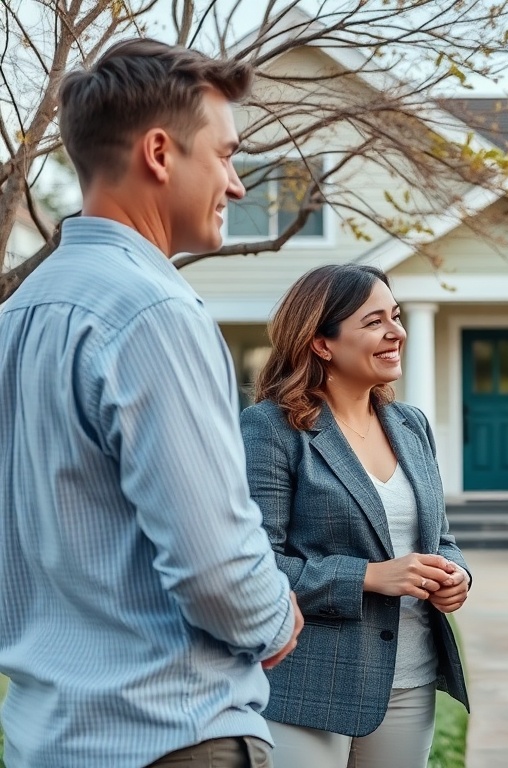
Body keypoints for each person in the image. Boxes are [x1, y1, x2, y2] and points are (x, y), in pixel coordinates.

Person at [0, 39, 303, 768]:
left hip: (47, 740)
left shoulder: (15, 319)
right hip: (171, 735)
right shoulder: (154, 313)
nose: (236, 186)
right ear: (160, 153)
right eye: (225, 156)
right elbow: (218, 571)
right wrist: (276, 616)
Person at [239, 263, 471, 768]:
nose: (396, 333)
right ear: (322, 343)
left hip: (410, 680)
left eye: (396, 316)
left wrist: (456, 575)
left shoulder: (410, 425)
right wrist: (368, 576)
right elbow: (254, 566)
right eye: (374, 322)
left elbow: (440, 539)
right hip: (308, 685)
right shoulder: (271, 429)